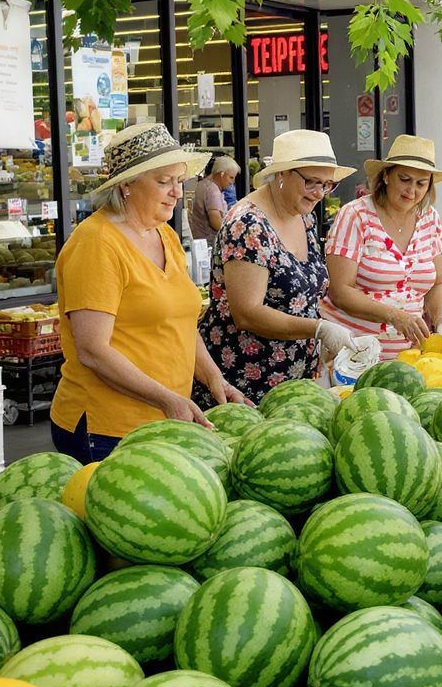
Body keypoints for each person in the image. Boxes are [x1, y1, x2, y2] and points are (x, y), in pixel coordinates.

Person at [51, 123, 245, 463]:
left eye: (179, 180)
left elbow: (182, 324)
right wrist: (167, 399)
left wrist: (215, 379)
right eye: (163, 181)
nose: (175, 192)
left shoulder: (164, 235)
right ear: (127, 184)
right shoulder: (97, 244)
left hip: (161, 420)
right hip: (109, 427)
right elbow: (93, 350)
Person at [197, 129, 357, 405]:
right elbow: (247, 312)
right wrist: (317, 329)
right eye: (312, 182)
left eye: (327, 185)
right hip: (245, 384)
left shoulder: (303, 217)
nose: (319, 193)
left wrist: (319, 339)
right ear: (282, 175)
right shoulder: (247, 224)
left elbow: (301, 296)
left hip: (294, 381)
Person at [321, 134, 442, 358]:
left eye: (421, 183)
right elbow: (340, 291)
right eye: (404, 179)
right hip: (353, 353)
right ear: (386, 177)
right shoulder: (355, 215)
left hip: (409, 357)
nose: (412, 190)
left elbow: (436, 284)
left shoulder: (430, 218)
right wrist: (394, 315)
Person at [189, 155, 239, 244]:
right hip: (210, 241)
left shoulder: (203, 184)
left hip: (200, 239)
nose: (232, 182)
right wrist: (231, 235)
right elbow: (215, 222)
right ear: (222, 174)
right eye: (231, 177)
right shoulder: (213, 190)